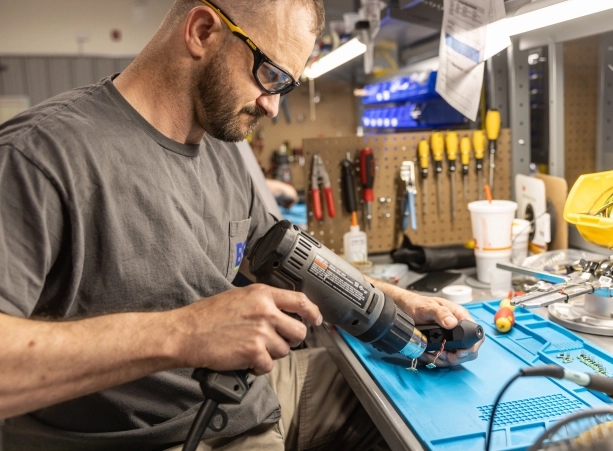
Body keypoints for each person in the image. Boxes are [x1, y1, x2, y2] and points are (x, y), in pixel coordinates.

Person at [0, 0, 483, 450]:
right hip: (162, 433)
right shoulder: (39, 155)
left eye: (286, 87)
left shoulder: (220, 150)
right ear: (203, 31)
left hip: (252, 394)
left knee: (413, 411)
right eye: (270, 74)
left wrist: (390, 302)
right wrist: (184, 334)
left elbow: (279, 254)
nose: (273, 106)